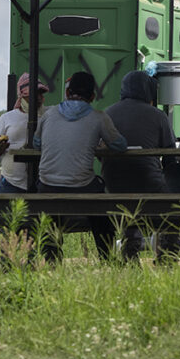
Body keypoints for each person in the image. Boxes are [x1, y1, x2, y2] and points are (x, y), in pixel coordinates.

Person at [32, 71, 127, 261]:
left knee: (51, 209)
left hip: (47, 185)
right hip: (82, 185)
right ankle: (107, 257)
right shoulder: (99, 117)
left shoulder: (48, 114)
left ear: (67, 93)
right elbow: (120, 145)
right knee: (100, 210)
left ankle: (51, 258)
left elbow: (36, 144)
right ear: (92, 97)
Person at [104, 70, 175, 260]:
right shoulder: (158, 116)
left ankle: (130, 253)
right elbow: (170, 157)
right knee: (175, 208)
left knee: (129, 205)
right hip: (148, 182)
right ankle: (167, 256)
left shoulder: (108, 113)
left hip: (113, 184)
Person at [0, 72, 49, 193]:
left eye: (40, 94)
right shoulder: (7, 118)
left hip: (42, 181)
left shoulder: (49, 115)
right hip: (12, 182)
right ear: (22, 96)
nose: (37, 98)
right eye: (32, 95)